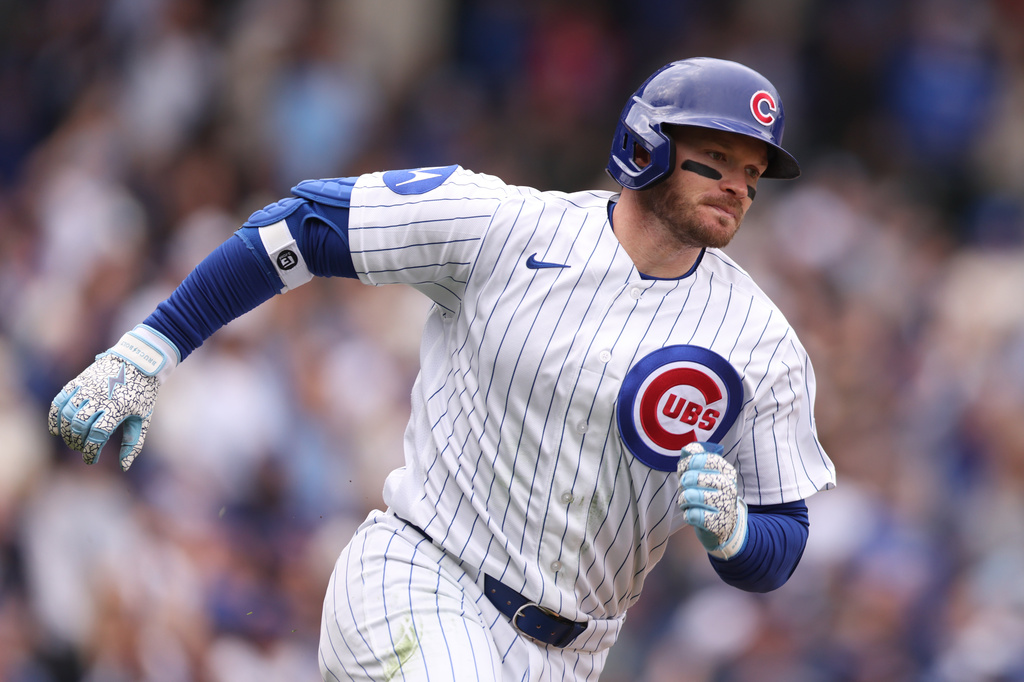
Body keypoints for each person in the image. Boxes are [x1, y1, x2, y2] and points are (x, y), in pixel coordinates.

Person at [49, 57, 836, 681]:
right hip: (424, 579)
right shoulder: (503, 224)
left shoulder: (761, 343)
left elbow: (784, 540)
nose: (738, 184)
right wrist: (149, 348)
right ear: (646, 146)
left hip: (574, 654)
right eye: (716, 159)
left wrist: (735, 533)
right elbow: (306, 225)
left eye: (753, 172)